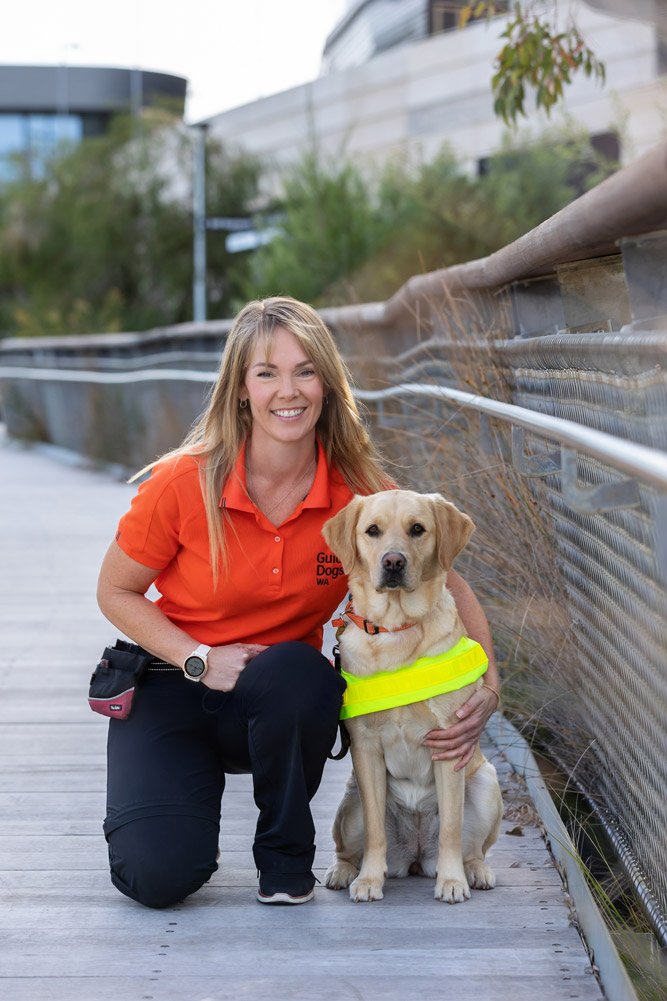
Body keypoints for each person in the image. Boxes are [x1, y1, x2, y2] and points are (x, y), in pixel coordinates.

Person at [96, 295, 501, 909]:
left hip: (276, 698)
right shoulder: (184, 482)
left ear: (327, 387)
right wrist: (199, 656)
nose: (288, 390)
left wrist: (488, 689)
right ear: (241, 389)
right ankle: (181, 802)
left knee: (302, 673)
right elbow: (114, 590)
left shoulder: (359, 499)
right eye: (267, 373)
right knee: (156, 876)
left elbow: (446, 578)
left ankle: (285, 861)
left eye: (305, 371)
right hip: (173, 682)